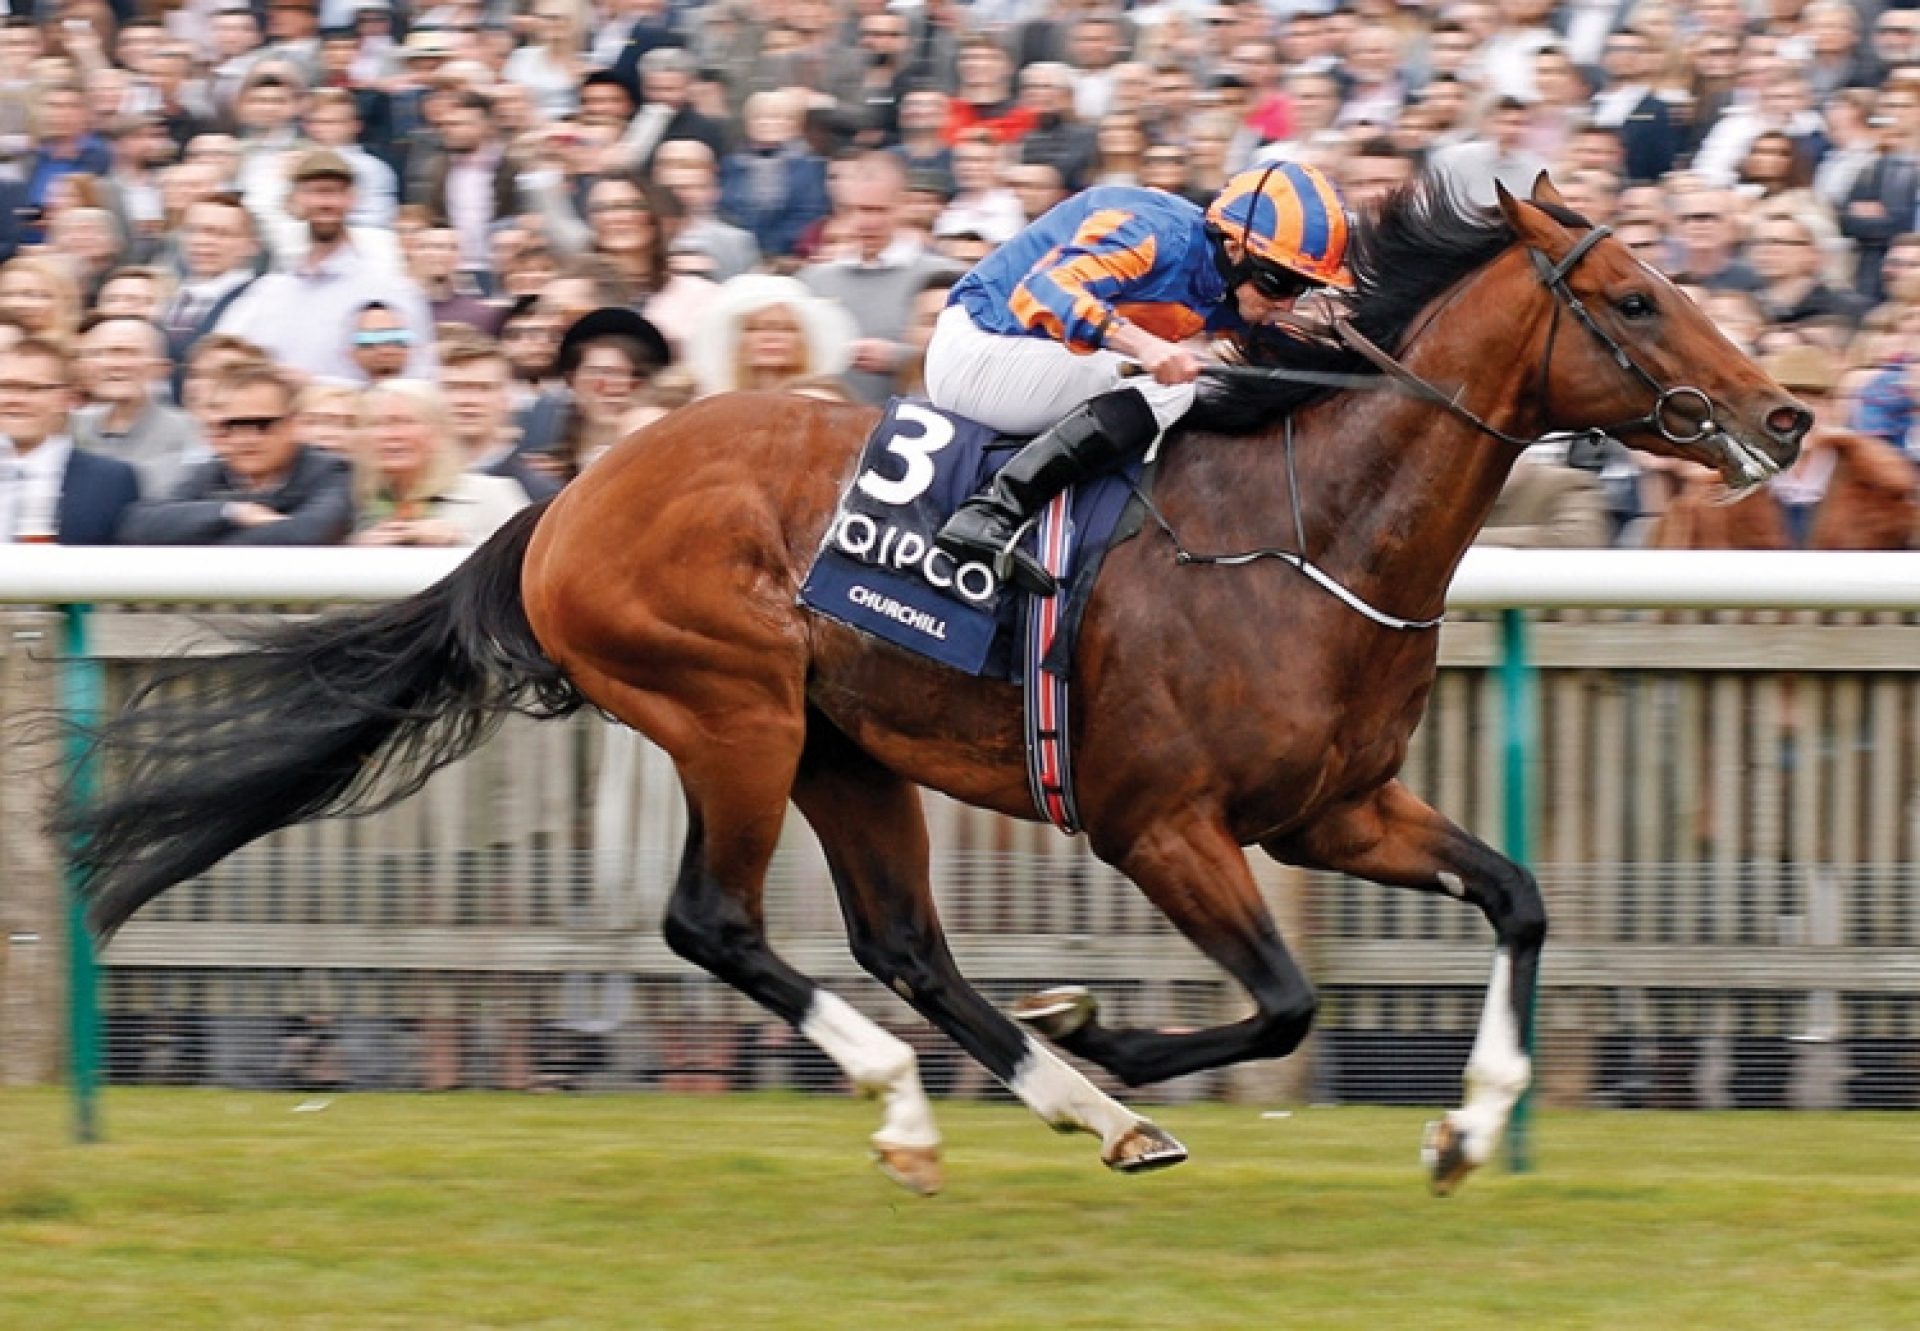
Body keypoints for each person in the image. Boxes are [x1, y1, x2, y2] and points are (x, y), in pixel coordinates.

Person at [927, 161, 1354, 595]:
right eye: (1278, 283)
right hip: (979, 351)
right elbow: (1045, 290)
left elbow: (1278, 338)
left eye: (1301, 288)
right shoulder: (1151, 233)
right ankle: (993, 513)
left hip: (1029, 357)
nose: (1286, 302)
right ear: (1236, 249)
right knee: (1172, 386)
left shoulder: (1220, 274)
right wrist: (1144, 346)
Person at [119, 361, 354, 545]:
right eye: (231, 426)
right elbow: (139, 525)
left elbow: (311, 533)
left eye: (262, 425)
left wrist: (200, 546)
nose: (245, 439)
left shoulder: (330, 471)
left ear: (292, 425)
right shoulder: (212, 473)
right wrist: (233, 512)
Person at [348, 379, 528, 546]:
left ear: (439, 432)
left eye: (404, 422)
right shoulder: (352, 501)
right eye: (376, 424)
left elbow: (532, 562)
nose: (390, 435)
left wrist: (459, 541)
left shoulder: (492, 494)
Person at [0, 335, 138, 544]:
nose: (15, 399)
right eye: (5, 387)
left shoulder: (110, 480)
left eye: (32, 388)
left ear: (67, 398)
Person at [685, 273, 857, 397]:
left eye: (786, 329)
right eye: (755, 328)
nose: (771, 337)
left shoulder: (824, 400)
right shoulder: (711, 406)